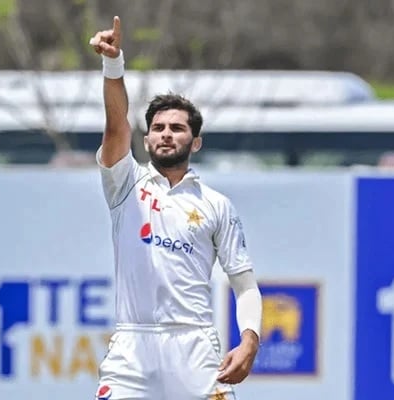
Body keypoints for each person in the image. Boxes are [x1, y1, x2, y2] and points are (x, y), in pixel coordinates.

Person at [89, 16, 263, 400]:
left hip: (195, 347)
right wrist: (113, 64)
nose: (166, 133)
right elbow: (116, 126)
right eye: (158, 127)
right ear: (147, 139)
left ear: (195, 142)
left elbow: (244, 283)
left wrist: (250, 339)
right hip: (133, 347)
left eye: (178, 128)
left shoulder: (216, 205)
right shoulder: (125, 184)